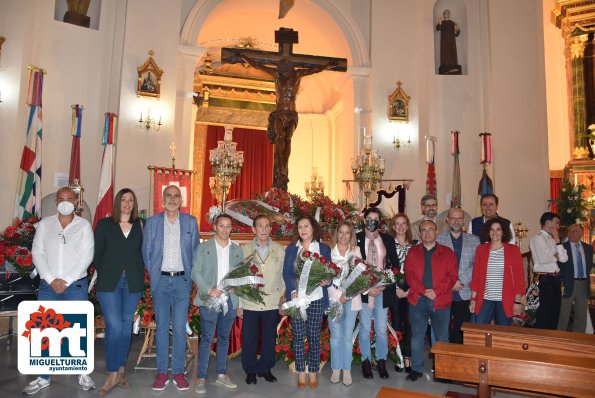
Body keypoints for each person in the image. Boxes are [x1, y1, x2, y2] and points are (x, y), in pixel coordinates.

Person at [23, 187, 96, 395]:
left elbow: (87, 255)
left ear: (76, 201)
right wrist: (50, 279)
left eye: (69, 199)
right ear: (56, 202)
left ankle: (80, 372)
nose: (65, 202)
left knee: (76, 330)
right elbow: (37, 252)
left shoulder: (84, 226)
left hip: (76, 286)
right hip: (48, 286)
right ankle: (43, 376)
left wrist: (67, 280)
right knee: (44, 330)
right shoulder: (45, 225)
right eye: (61, 199)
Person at [237, 48, 337, 190]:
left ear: (289, 68)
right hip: (279, 113)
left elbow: (314, 69)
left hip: (291, 114)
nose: (282, 71)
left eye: (284, 69)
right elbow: (259, 66)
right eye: (281, 69)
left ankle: (283, 168)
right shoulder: (277, 75)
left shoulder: (297, 74)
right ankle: (282, 170)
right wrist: (245, 57)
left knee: (288, 138)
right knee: (280, 136)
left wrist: (327, 65)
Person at [141, 185, 199, 391]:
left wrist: (191, 279)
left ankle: (178, 373)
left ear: (180, 200)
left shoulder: (191, 222)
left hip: (182, 282)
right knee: (163, 328)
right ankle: (162, 373)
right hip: (161, 282)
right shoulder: (152, 223)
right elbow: (146, 252)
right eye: (169, 196)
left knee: (180, 327)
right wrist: (156, 277)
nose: (172, 199)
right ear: (163, 199)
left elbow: (195, 253)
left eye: (176, 196)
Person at [94, 189, 145, 396]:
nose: (127, 203)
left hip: (133, 282)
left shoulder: (141, 225)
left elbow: (146, 252)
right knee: (114, 326)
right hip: (109, 282)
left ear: (134, 204)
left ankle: (121, 370)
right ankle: (111, 372)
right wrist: (108, 271)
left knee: (125, 327)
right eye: (123, 199)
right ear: (117, 202)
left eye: (131, 200)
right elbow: (97, 254)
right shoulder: (105, 225)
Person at [192, 213, 243, 394]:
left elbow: (240, 278)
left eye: (228, 226)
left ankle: (221, 374)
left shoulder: (237, 250)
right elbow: (195, 272)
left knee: (224, 338)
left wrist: (238, 303)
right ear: (215, 227)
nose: (225, 229)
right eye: (221, 225)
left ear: (231, 228)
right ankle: (201, 377)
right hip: (210, 298)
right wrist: (209, 289)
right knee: (206, 338)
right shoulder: (204, 247)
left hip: (228, 300)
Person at [404, 220, 458, 382]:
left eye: (430, 230)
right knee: (417, 336)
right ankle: (416, 369)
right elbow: (409, 275)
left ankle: (442, 371)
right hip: (418, 300)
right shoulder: (413, 252)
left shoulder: (447, 253)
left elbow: (452, 276)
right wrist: (424, 292)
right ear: (419, 234)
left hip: (440, 299)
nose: (427, 233)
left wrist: (436, 291)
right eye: (424, 230)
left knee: (442, 337)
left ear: (436, 232)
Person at [283, 215, 332, 389]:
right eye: (300, 227)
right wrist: (293, 292)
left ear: (313, 228)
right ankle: (300, 372)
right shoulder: (291, 249)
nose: (303, 230)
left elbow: (330, 273)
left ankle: (313, 372)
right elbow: (287, 274)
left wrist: (328, 281)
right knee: (297, 337)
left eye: (306, 226)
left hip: (317, 298)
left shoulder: (323, 249)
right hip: (297, 300)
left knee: (313, 337)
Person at [237, 214, 285, 385]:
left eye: (267, 226)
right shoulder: (245, 249)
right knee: (249, 338)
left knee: (269, 338)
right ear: (253, 229)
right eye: (260, 226)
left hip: (272, 301)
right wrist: (240, 303)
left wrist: (282, 299)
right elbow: (239, 277)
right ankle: (250, 370)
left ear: (271, 229)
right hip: (250, 301)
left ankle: (265, 369)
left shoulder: (280, 249)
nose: (264, 229)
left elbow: (283, 276)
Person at [356, 207, 399, 380]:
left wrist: (382, 284)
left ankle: (381, 361)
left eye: (376, 219)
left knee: (381, 329)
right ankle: (366, 360)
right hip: (364, 290)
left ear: (380, 221)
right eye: (369, 218)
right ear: (364, 219)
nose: (372, 221)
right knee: (365, 328)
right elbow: (354, 266)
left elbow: (395, 265)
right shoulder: (357, 238)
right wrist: (367, 287)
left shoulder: (387, 239)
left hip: (382, 290)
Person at [469, 218, 525, 326]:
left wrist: (517, 301)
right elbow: (476, 277)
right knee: (479, 329)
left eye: (498, 229)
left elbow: (519, 278)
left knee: (502, 333)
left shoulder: (513, 250)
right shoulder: (481, 249)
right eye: (492, 229)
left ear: (503, 232)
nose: (495, 232)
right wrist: (473, 299)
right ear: (488, 232)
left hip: (505, 299)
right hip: (485, 298)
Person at [436, 208, 480, 343]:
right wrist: (451, 282)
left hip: (464, 291)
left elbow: (477, 265)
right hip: (444, 291)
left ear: (463, 221)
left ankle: (460, 360)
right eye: (453, 218)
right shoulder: (438, 239)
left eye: (459, 218)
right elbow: (436, 265)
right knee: (444, 330)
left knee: (461, 331)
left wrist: (461, 281)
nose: (456, 221)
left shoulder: (474, 240)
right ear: (447, 220)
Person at [328, 221, 362, 386]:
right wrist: (338, 295)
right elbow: (325, 280)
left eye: (347, 232)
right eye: (340, 232)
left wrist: (347, 295)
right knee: (335, 337)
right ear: (336, 234)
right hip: (334, 299)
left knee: (347, 337)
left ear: (351, 235)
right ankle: (336, 369)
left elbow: (361, 277)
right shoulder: (329, 252)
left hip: (351, 298)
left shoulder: (356, 251)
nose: (343, 236)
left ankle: (346, 370)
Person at [388, 213, 417, 373]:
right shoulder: (388, 244)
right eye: (397, 223)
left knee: (410, 324)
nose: (400, 226)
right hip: (395, 290)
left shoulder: (415, 245)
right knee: (397, 324)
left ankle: (408, 357)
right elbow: (385, 268)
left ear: (407, 226)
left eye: (403, 223)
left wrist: (411, 289)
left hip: (412, 290)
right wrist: (396, 289)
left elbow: (420, 270)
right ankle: (398, 357)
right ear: (393, 226)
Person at [529, 212, 568, 330]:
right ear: (548, 222)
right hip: (544, 280)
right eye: (556, 223)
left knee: (555, 313)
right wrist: (554, 253)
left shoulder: (553, 240)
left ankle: (552, 340)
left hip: (555, 279)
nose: (558, 226)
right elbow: (543, 258)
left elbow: (564, 259)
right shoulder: (537, 238)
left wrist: (557, 242)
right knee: (544, 314)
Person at [558, 224, 592, 333]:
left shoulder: (588, 248)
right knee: (564, 312)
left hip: (583, 283)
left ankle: (579, 337)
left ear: (582, 234)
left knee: (581, 313)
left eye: (575, 231)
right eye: (570, 230)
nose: (571, 233)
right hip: (568, 283)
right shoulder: (562, 247)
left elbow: (589, 265)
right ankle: (560, 337)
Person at [436, 9, 461, 75]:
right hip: (444, 42)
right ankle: (445, 64)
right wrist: (439, 23)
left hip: (452, 42)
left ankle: (453, 64)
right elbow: (438, 28)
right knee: (445, 54)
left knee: (452, 53)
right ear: (444, 15)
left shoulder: (453, 23)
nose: (448, 14)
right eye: (446, 13)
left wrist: (457, 29)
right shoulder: (442, 22)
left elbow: (456, 33)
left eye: (449, 13)